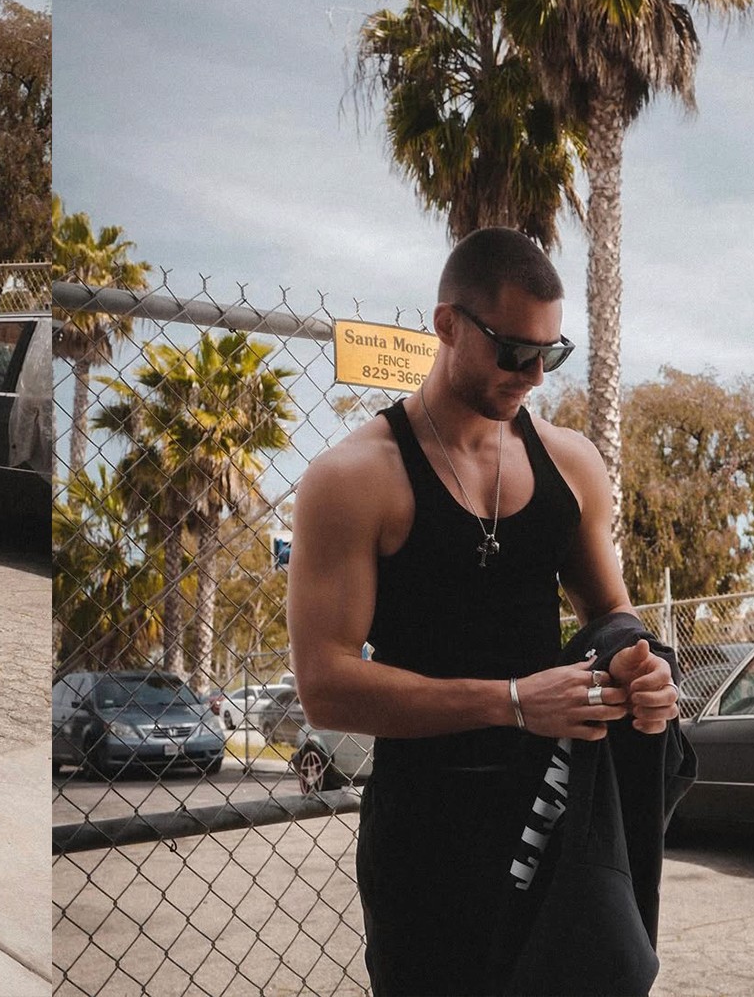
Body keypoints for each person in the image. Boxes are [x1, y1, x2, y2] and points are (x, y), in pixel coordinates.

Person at [287, 227, 680, 995]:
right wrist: (509, 702)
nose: (534, 374)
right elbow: (325, 684)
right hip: (424, 832)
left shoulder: (571, 463)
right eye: (512, 351)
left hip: (557, 819)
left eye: (551, 353)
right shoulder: (356, 477)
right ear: (448, 327)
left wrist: (645, 672)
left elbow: (612, 614)